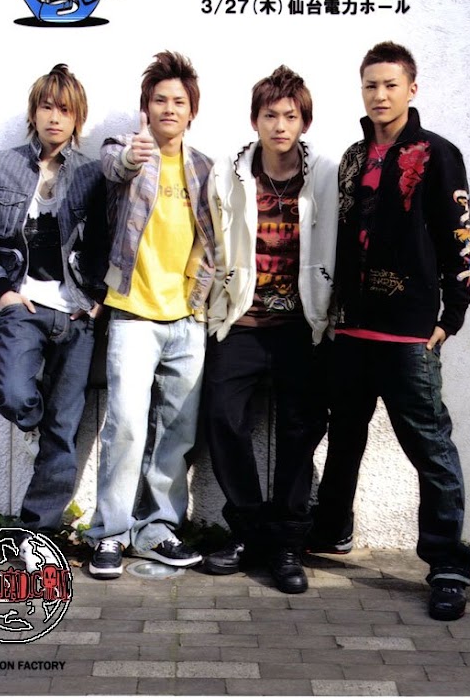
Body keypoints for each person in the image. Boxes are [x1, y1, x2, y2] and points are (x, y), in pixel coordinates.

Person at [307, 41, 470, 620]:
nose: (380, 95)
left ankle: (448, 565)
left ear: (412, 89)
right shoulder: (354, 157)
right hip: (352, 330)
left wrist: (451, 317)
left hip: (408, 335)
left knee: (430, 449)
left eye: (390, 85)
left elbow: (460, 236)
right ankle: (332, 530)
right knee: (343, 439)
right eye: (370, 85)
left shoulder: (438, 154)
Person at [0, 64, 108, 568]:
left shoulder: (92, 174)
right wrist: (3, 291)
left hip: (76, 313)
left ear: (77, 118)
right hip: (23, 308)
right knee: (13, 393)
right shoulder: (1, 166)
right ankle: (35, 424)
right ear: (34, 111)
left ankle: (37, 534)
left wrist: (99, 298)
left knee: (63, 431)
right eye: (47, 106)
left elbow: (111, 241)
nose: (55, 117)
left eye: (65, 110)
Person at [202, 65, 338, 594]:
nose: (280, 125)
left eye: (290, 116)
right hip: (242, 319)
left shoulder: (325, 175)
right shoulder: (228, 174)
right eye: (270, 115)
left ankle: (286, 544)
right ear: (254, 120)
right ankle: (250, 529)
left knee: (301, 430)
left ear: (304, 122)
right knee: (222, 415)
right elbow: (210, 242)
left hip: (303, 326)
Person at [85, 51, 215, 579]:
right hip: (133, 315)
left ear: (191, 111)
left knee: (177, 433)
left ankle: (158, 529)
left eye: (178, 101)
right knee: (125, 427)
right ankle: (110, 534)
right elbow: (114, 166)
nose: (169, 108)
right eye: (160, 100)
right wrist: (132, 156)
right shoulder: (126, 149)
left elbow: (213, 240)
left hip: (187, 318)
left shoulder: (204, 168)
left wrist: (203, 301)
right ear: (146, 107)